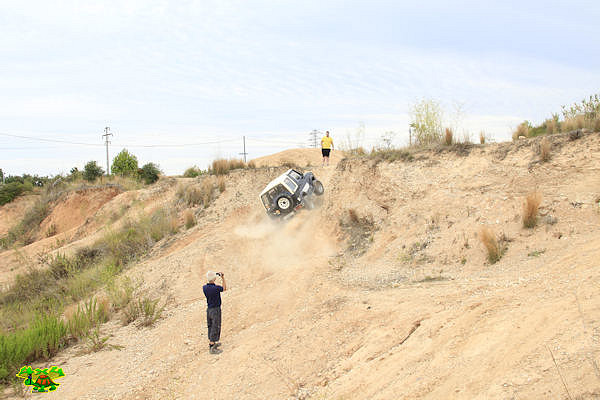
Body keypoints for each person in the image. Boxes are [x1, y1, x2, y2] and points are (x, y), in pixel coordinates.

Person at [203, 270, 227, 354]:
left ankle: (212, 342)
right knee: (215, 326)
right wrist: (223, 278)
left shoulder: (204, 288)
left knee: (210, 325)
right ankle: (212, 346)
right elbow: (224, 288)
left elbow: (211, 285)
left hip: (209, 309)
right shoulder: (215, 288)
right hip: (215, 309)